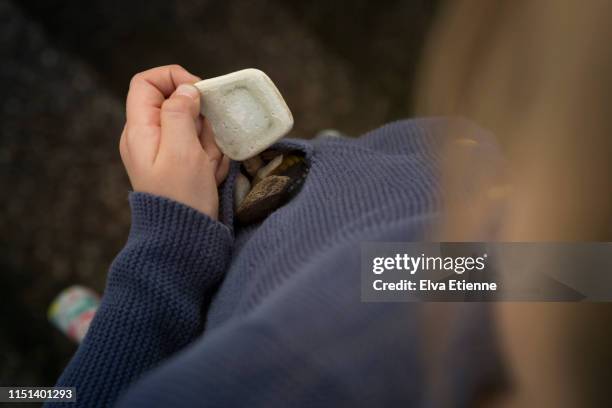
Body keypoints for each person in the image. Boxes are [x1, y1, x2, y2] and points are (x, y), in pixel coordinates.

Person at [46, 64, 505, 407]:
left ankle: (118, 339)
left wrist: (165, 253)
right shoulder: (542, 278)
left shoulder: (291, 368)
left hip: (221, 310)